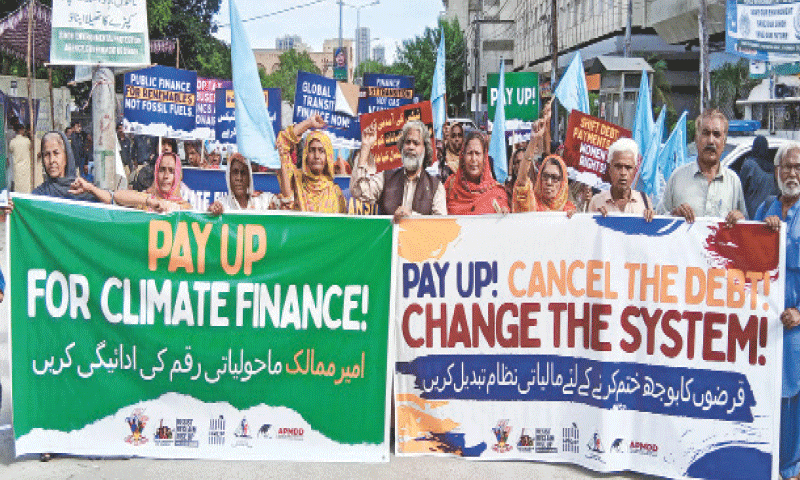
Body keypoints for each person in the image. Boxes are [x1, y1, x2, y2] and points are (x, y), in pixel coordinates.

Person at [756, 141, 800, 480]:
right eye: (787, 167)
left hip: (794, 328)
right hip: (761, 326)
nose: (793, 173)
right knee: (762, 393)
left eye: (798, 167)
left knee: (792, 400)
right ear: (776, 172)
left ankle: (790, 468)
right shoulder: (764, 209)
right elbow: (743, 257)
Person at [659, 109, 746, 223]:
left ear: (724, 143)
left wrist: (740, 219)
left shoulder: (733, 182)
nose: (710, 141)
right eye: (705, 133)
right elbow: (658, 221)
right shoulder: (677, 177)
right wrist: (673, 215)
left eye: (716, 134)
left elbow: (745, 229)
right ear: (696, 139)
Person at [351, 119, 446, 222]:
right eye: (407, 142)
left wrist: (412, 217)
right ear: (401, 147)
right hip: (389, 237)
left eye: (416, 143)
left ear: (425, 149)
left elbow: (440, 226)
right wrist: (365, 147)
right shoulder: (386, 177)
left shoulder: (436, 186)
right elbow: (358, 191)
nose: (411, 147)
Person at [276, 114, 346, 213]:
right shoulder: (296, 181)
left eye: (321, 151)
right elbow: (282, 142)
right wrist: (309, 123)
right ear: (305, 155)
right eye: (312, 150)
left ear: (328, 157)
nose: (317, 156)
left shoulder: (335, 192)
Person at [588, 137, 654, 221]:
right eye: (618, 167)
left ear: (634, 171)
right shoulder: (596, 202)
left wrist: (651, 218)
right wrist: (596, 219)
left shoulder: (644, 201)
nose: (623, 173)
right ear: (609, 169)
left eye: (628, 167)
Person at [444, 130, 509, 215]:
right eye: (470, 153)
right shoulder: (450, 186)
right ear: (463, 157)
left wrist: (503, 213)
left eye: (478, 153)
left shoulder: (496, 192)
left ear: (484, 158)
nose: (474, 159)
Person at [32, 131, 109, 202]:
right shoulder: (39, 194)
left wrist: (92, 189)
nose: (51, 160)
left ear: (66, 157)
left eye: (56, 153)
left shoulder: (83, 190)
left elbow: (110, 203)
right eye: (46, 155)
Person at [208, 153, 278, 215]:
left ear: (249, 178)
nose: (239, 178)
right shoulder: (222, 205)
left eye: (243, 173)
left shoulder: (263, 201)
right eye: (235, 173)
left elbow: (285, 202)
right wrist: (211, 210)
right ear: (229, 178)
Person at [740, 135, 779, 219]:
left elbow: (740, 189)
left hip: (749, 213)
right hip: (767, 213)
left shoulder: (749, 165)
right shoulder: (773, 168)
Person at [8, 124, 33, 193]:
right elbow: (31, 148)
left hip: (17, 167)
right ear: (22, 130)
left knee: (18, 185)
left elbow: (10, 150)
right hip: (26, 166)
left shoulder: (12, 142)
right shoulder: (27, 141)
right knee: (26, 185)